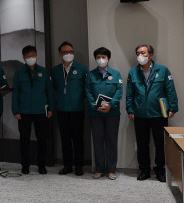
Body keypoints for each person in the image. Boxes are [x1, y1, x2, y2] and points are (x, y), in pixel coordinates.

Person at [126, 45, 178, 182]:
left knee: (160, 144)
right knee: (142, 144)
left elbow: (170, 90)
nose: (139, 56)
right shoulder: (133, 72)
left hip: (159, 114)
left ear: (150, 55)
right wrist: (130, 110)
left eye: (142, 53)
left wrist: (173, 108)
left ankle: (160, 170)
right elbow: (129, 94)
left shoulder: (163, 70)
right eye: (137, 53)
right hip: (140, 114)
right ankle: (144, 170)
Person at [12, 45, 54, 175]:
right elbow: (15, 93)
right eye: (28, 56)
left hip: (41, 111)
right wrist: (16, 111)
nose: (31, 58)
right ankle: (25, 165)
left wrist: (51, 108)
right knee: (24, 139)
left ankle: (41, 165)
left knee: (42, 139)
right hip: (24, 111)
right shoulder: (19, 73)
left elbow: (50, 92)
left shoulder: (44, 72)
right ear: (24, 57)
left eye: (33, 55)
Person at [84, 47, 122, 180]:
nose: (101, 60)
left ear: (108, 59)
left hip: (112, 113)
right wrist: (95, 105)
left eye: (104, 57)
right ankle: (99, 169)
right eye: (99, 57)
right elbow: (88, 91)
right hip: (96, 113)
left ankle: (111, 170)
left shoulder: (116, 74)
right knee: (98, 141)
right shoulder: (90, 74)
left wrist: (110, 105)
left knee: (111, 141)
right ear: (95, 59)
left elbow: (119, 91)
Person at [51, 41, 87, 176]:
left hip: (77, 109)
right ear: (60, 54)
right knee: (65, 139)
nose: (68, 54)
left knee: (78, 139)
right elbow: (53, 88)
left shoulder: (82, 68)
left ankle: (78, 166)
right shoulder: (55, 70)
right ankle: (67, 165)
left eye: (71, 52)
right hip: (61, 109)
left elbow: (86, 88)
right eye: (65, 52)